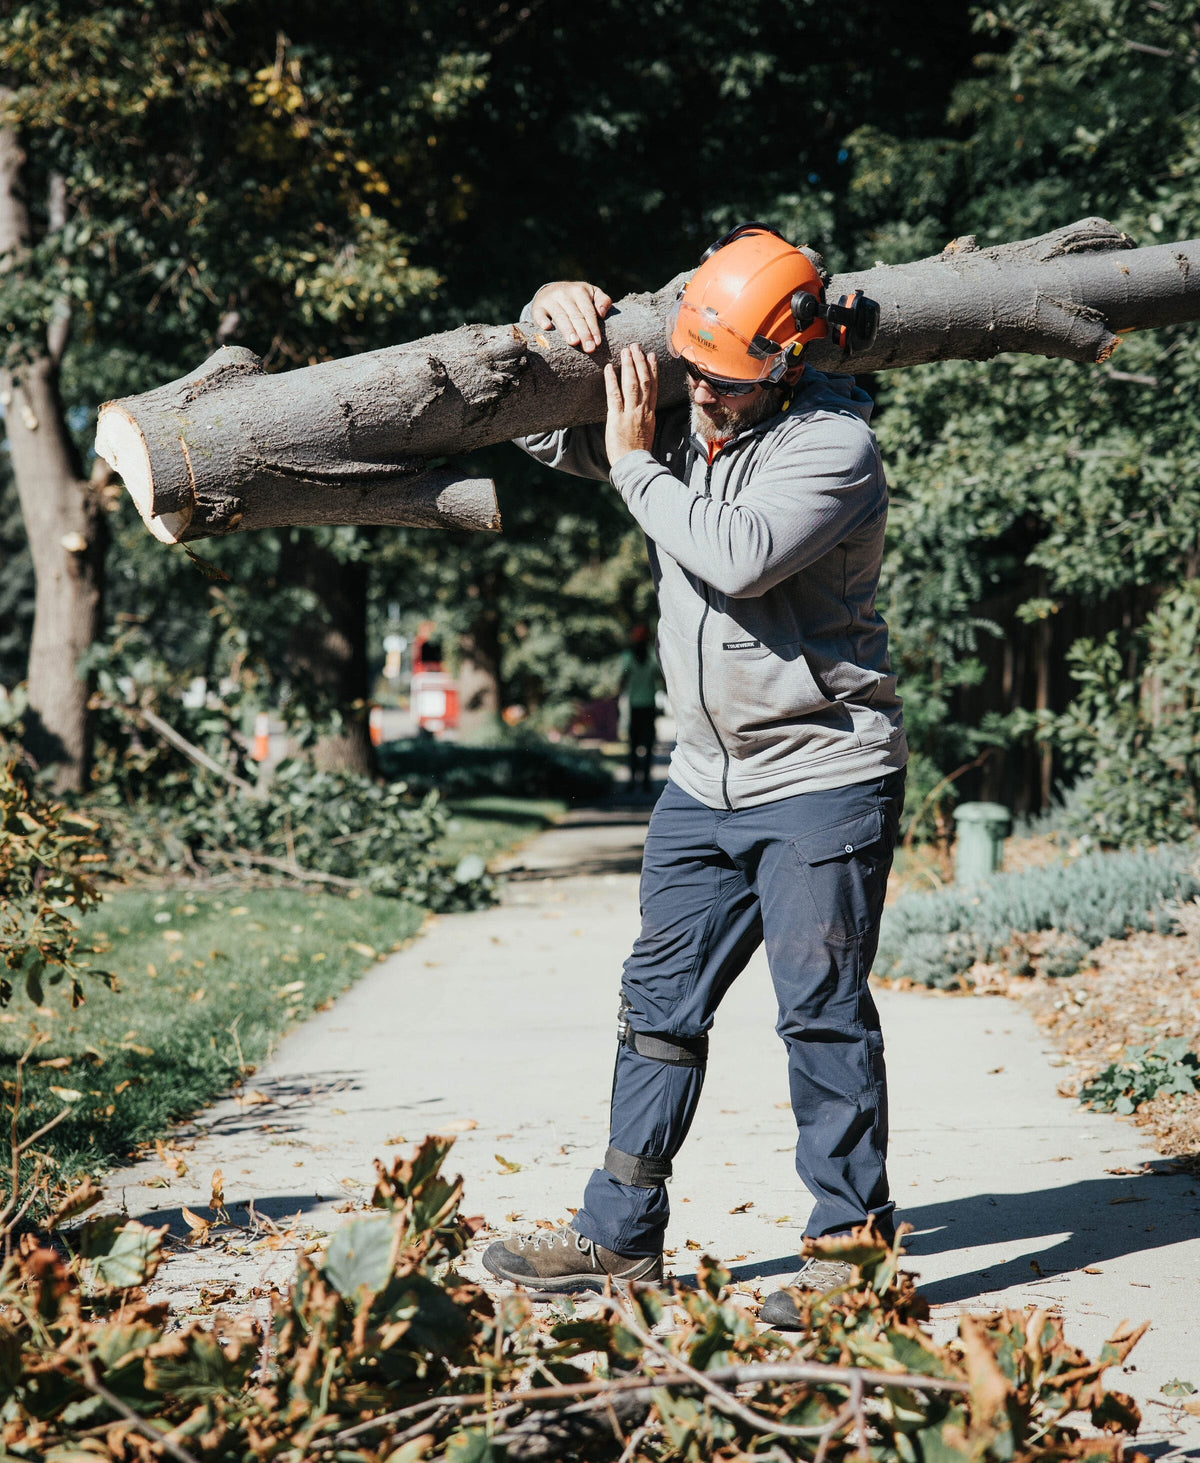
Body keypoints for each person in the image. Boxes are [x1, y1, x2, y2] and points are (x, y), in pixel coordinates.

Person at [482, 224, 907, 1329]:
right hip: (703, 784)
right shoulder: (683, 419)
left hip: (821, 773)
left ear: (790, 362)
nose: (704, 400)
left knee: (820, 1014)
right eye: (693, 376)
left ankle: (849, 1260)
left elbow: (737, 554)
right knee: (657, 1007)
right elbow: (534, 429)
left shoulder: (833, 448)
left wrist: (633, 463)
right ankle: (620, 1238)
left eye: (726, 384)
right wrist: (546, 313)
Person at [619, 623, 660, 794]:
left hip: (634, 706)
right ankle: (646, 781)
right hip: (649, 705)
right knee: (648, 744)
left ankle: (632, 780)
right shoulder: (652, 655)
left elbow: (622, 680)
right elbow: (660, 676)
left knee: (633, 745)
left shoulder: (628, 657)